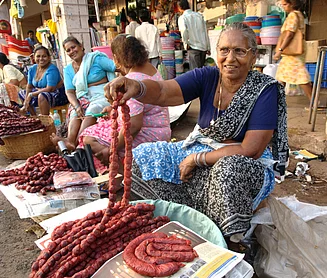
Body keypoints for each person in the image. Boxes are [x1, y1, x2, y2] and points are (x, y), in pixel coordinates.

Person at [104, 22, 288, 238]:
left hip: (243, 161)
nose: (230, 58)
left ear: (253, 56)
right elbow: (164, 91)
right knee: (144, 156)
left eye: (239, 51)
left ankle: (231, 240)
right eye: (224, 50)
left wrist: (197, 158)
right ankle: (177, 222)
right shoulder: (207, 77)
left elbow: (251, 149)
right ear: (215, 53)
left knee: (228, 170)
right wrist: (138, 87)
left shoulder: (265, 90)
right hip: (202, 147)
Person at [79, 34, 171, 173]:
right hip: (161, 129)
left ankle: (122, 173)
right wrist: (112, 109)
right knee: (101, 127)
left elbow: (133, 126)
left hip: (148, 135)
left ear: (116, 58)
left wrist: (111, 150)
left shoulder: (133, 80)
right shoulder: (152, 70)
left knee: (88, 138)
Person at [50, 36, 116, 151]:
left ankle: (77, 144)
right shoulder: (68, 70)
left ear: (81, 46)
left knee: (93, 109)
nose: (72, 51)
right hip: (82, 97)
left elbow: (116, 67)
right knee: (75, 112)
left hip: (101, 95)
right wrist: (76, 106)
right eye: (68, 50)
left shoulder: (96, 59)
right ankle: (70, 140)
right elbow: (70, 91)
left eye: (73, 47)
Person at [273, 0, 313, 102]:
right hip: (293, 51)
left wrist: (280, 50)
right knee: (282, 75)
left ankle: (314, 101)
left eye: (285, 4)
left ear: (292, 4)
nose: (283, 7)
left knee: (300, 76)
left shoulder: (293, 16)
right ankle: (276, 101)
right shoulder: (299, 15)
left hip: (292, 52)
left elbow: (290, 34)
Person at [19, 46, 67, 115]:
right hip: (40, 92)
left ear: (49, 58)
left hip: (57, 94)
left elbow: (50, 88)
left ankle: (45, 120)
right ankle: (35, 118)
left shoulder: (52, 69)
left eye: (44, 56)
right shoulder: (32, 69)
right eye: (38, 56)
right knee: (22, 93)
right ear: (34, 57)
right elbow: (29, 87)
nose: (41, 59)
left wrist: (31, 94)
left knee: (42, 95)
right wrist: (26, 100)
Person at [178, 0, 211, 70]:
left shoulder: (182, 18)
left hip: (193, 47)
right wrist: (208, 47)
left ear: (180, 8)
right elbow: (205, 32)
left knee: (195, 72)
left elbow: (184, 32)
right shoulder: (199, 16)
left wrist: (185, 44)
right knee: (201, 71)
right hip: (203, 47)